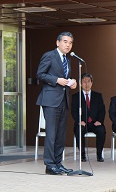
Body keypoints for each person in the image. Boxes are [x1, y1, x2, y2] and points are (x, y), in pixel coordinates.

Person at [36, 31, 77, 175]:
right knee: (51, 134)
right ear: (57, 42)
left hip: (64, 99)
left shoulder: (67, 59)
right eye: (65, 41)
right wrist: (56, 80)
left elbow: (64, 76)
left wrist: (71, 82)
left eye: (70, 42)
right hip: (51, 100)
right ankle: (49, 165)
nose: (68, 45)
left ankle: (58, 163)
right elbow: (40, 74)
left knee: (60, 135)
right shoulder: (49, 55)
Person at [71, 73, 106, 162]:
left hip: (95, 123)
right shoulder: (76, 96)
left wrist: (99, 121)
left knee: (101, 130)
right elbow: (73, 111)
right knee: (79, 130)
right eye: (84, 81)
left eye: (88, 81)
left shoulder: (98, 96)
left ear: (92, 83)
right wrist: (79, 121)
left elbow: (102, 110)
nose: (86, 84)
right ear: (80, 83)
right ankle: (82, 155)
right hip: (82, 123)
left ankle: (99, 155)